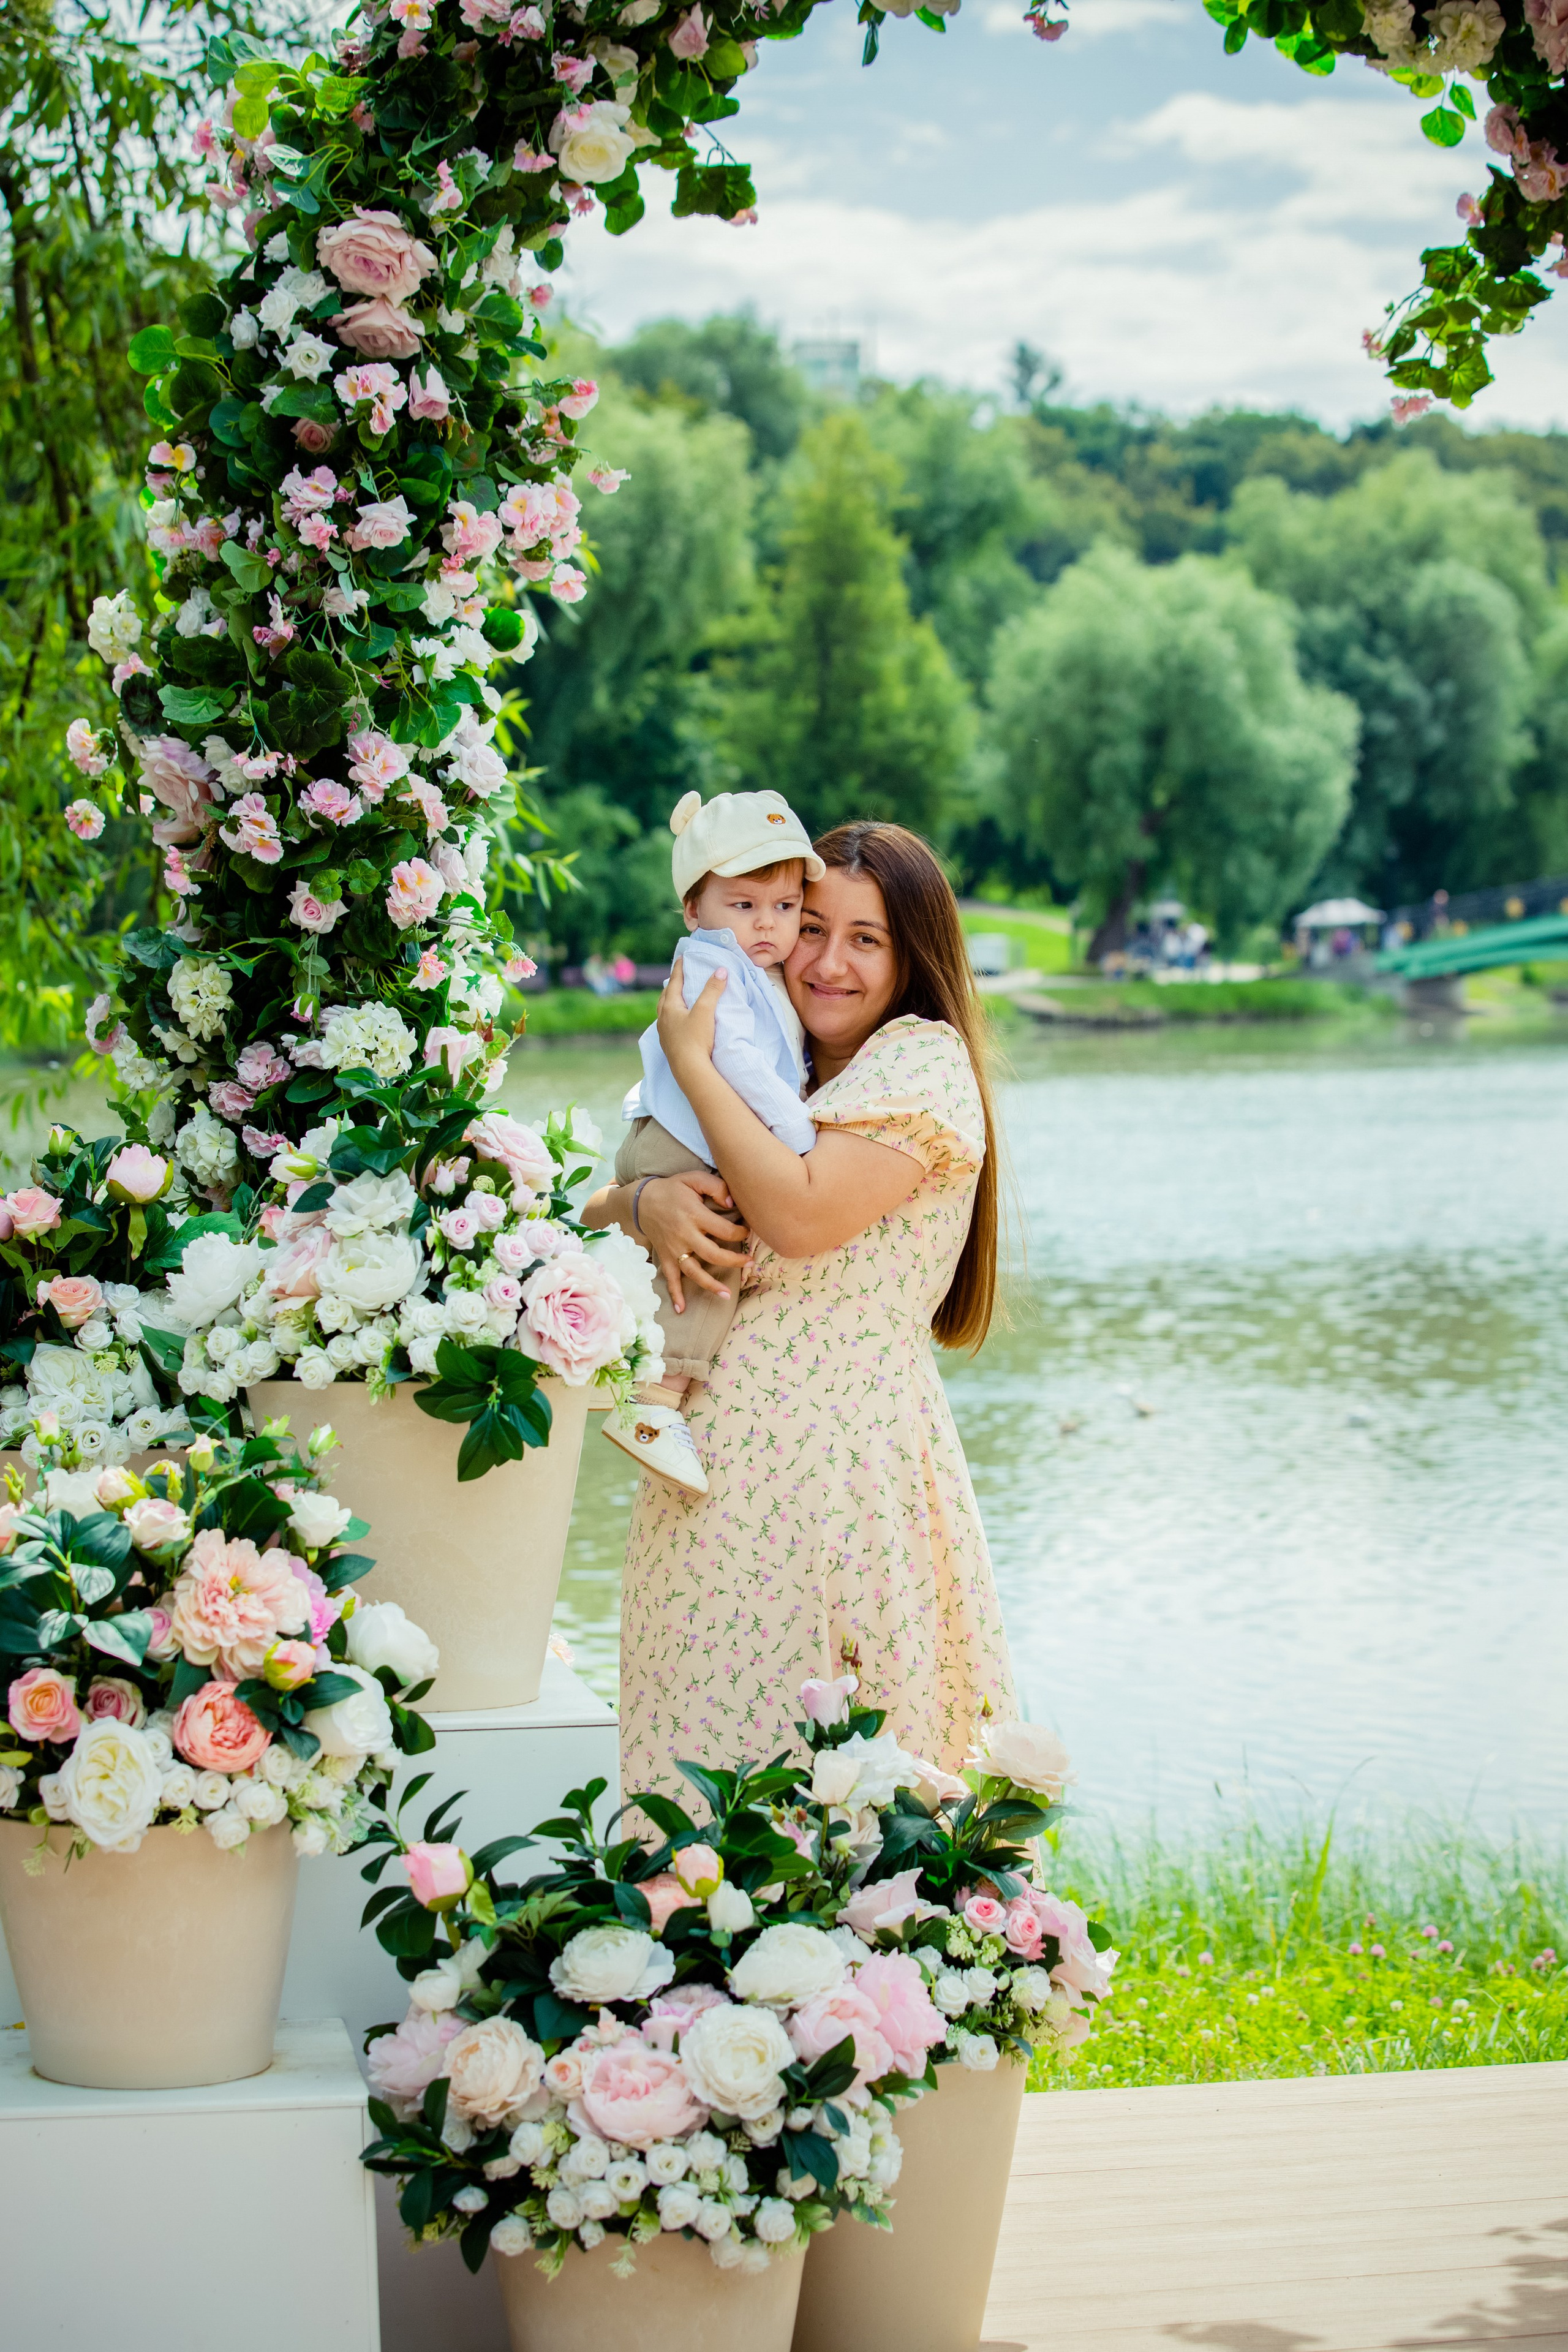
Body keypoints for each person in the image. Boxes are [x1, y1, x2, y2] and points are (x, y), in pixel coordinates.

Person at [581, 819, 1017, 1795]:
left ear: (913, 955)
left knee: (843, 1769)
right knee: (702, 1758)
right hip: (708, 1477)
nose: (826, 962)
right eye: (809, 927)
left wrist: (693, 1062)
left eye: (866, 939)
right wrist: (641, 1203)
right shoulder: (770, 1056)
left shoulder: (919, 1062)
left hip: (844, 1467)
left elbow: (802, 1213)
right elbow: (608, 1204)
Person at [601, 787, 825, 1496]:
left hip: (672, 1136)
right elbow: (735, 1062)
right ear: (693, 909)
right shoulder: (712, 968)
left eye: (786, 909)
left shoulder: (748, 970)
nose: (768, 925)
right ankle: (655, 1401)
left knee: (686, 1262)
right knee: (710, 1259)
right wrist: (797, 1131)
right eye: (744, 905)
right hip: (679, 1143)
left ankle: (651, 1388)